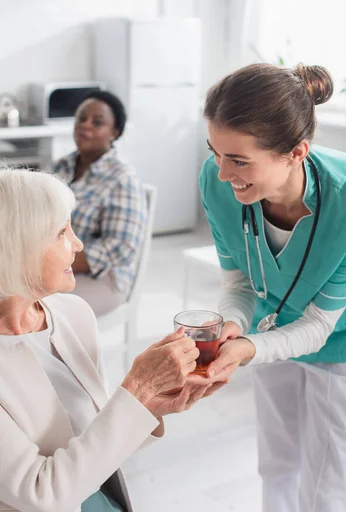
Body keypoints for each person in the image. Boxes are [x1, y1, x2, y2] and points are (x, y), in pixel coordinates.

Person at [198, 63, 346, 512]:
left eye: (240, 160)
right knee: (278, 464)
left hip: (344, 340)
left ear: (296, 152)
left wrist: (249, 347)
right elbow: (240, 281)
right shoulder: (216, 181)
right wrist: (232, 326)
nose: (223, 174)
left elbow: (320, 325)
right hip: (268, 325)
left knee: (327, 484)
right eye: (215, 152)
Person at [0, 167, 213, 512]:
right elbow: (41, 496)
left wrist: (151, 404)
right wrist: (137, 388)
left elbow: (90, 440)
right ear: (17, 245)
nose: (78, 244)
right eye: (61, 232)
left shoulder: (73, 314)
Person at [54, 90, 146, 317]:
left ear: (114, 133)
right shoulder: (63, 165)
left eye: (97, 122)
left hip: (104, 279)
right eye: (81, 119)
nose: (85, 126)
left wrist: (56, 260)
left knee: (35, 304)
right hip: (57, 265)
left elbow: (120, 248)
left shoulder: (122, 178)